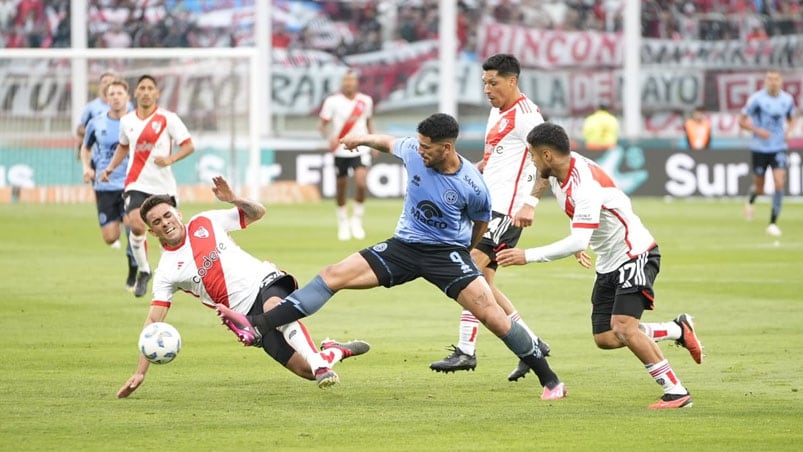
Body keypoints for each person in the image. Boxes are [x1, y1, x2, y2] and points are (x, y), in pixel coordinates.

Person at [215, 113, 567, 400]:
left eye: (428, 147)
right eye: (419, 144)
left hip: (446, 255)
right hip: (403, 247)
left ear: (447, 148)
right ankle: (258, 325)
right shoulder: (414, 150)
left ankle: (550, 380)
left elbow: (480, 222)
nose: (421, 151)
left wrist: (462, 249)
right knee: (334, 274)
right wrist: (359, 140)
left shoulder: (472, 185)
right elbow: (385, 142)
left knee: (492, 315)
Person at [496, 122, 703, 409]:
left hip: (635, 253)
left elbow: (578, 238)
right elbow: (548, 186)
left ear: (546, 155)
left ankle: (676, 391)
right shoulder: (556, 168)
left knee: (624, 328)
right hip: (608, 261)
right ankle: (677, 329)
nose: (530, 160)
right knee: (606, 337)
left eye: (532, 154)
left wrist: (527, 255)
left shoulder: (585, 185)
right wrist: (532, 201)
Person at [117, 176, 370, 398]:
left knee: (275, 309)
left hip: (265, 281)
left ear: (178, 214)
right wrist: (140, 373)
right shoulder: (166, 271)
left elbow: (258, 213)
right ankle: (331, 353)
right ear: (151, 231)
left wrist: (234, 198)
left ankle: (319, 363)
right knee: (305, 371)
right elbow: (153, 322)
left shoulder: (204, 221)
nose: (165, 222)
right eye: (157, 221)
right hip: (244, 317)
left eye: (168, 215)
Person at [429, 53, 553, 383]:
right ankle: (533, 345)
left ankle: (466, 351)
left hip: (507, 212)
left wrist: (530, 204)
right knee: (484, 284)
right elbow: (492, 160)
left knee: (466, 270)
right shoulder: (497, 111)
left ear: (512, 81)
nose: (487, 89)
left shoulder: (527, 116)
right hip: (487, 208)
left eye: (493, 83)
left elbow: (548, 160)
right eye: (484, 83)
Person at [100, 75, 196, 298]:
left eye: (149, 88)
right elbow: (123, 147)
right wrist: (111, 168)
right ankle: (144, 270)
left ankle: (174, 273)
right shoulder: (127, 121)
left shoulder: (168, 118)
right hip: (136, 183)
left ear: (156, 93)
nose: (145, 92)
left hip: (164, 186)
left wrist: (170, 159)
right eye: (141, 88)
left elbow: (189, 146)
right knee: (136, 224)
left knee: (170, 234)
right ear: (136, 93)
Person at [79, 79, 138, 291]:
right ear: (106, 97)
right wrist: (87, 167)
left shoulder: (136, 121)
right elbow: (85, 149)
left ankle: (134, 268)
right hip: (104, 186)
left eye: (119, 93)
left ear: (127, 97)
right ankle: (124, 231)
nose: (115, 97)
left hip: (130, 184)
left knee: (133, 226)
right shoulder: (96, 123)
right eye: (111, 94)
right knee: (110, 236)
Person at [317, 69, 375, 241]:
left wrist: (374, 142)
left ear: (356, 82)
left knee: (361, 182)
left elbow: (368, 122)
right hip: (341, 149)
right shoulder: (332, 101)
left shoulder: (365, 101)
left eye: (351, 80)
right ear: (342, 82)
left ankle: (356, 220)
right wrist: (330, 138)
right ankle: (343, 221)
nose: (348, 83)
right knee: (341, 185)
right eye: (345, 80)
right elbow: (321, 125)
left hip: (361, 147)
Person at [738, 70, 797, 236]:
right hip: (759, 148)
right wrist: (758, 131)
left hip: (778, 147)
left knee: (779, 183)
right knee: (760, 187)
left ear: (781, 81)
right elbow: (741, 120)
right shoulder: (757, 99)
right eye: (770, 79)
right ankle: (751, 200)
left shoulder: (787, 100)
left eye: (776, 79)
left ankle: (773, 222)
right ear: (765, 81)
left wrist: (789, 131)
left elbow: (792, 117)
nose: (773, 82)